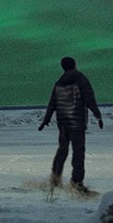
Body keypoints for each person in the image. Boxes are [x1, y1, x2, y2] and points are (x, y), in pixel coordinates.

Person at [38, 56, 103, 192]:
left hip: (63, 122)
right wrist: (98, 115)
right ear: (74, 64)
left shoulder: (59, 83)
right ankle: (77, 182)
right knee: (78, 152)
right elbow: (89, 98)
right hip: (77, 122)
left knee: (62, 150)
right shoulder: (81, 79)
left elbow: (52, 103)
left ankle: (55, 180)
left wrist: (46, 120)